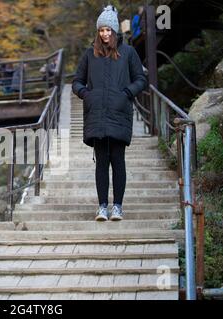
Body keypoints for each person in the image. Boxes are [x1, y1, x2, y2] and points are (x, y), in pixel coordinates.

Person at [72, 5, 147, 222]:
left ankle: (118, 207)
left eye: (108, 30)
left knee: (118, 161)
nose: (105, 34)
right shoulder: (90, 54)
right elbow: (76, 81)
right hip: (96, 115)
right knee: (102, 163)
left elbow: (141, 79)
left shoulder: (129, 53)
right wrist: (86, 94)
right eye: (101, 30)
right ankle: (102, 206)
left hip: (119, 113)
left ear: (115, 31)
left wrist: (126, 93)